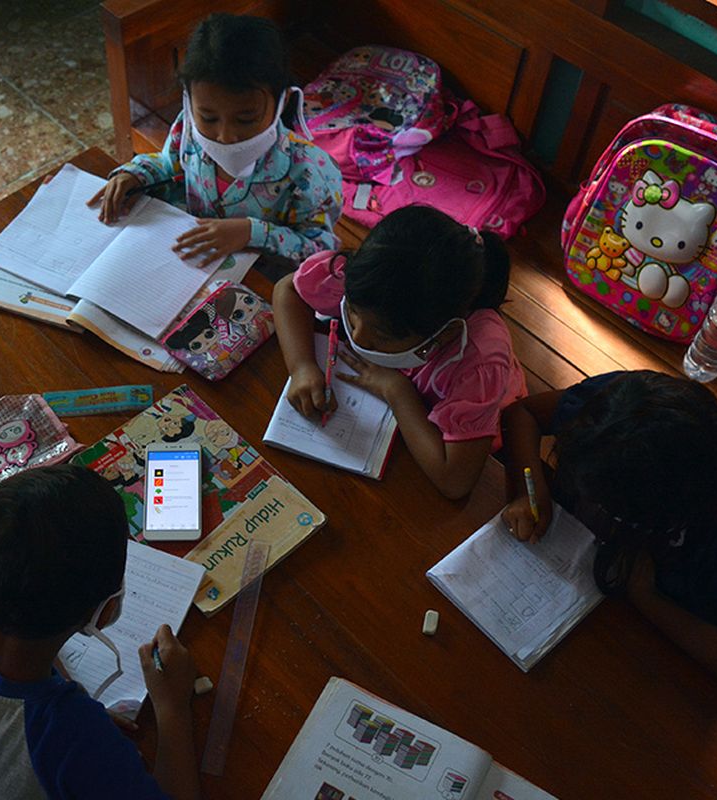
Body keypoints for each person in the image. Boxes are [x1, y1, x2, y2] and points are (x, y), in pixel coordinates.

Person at [0, 464, 201, 800]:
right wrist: (172, 706)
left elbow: (27, 602)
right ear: (105, 611)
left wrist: (69, 699)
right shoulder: (73, 740)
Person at [500, 370, 717, 701]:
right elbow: (523, 413)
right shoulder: (618, 414)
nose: (591, 507)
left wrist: (647, 598)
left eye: (604, 506)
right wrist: (530, 489)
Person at [273, 205, 526, 498]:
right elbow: (287, 290)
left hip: (468, 426)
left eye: (381, 335)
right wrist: (302, 366)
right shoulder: (364, 280)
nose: (358, 337)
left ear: (445, 334)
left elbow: (455, 480)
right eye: (352, 312)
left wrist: (397, 391)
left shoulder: (479, 362)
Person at [90, 12, 342, 267]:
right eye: (208, 118)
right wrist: (135, 175)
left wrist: (251, 233)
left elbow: (320, 252)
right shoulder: (187, 128)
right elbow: (170, 166)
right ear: (188, 100)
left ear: (283, 101)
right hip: (185, 263)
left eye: (246, 119)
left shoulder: (309, 173)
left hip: (258, 280)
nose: (226, 137)